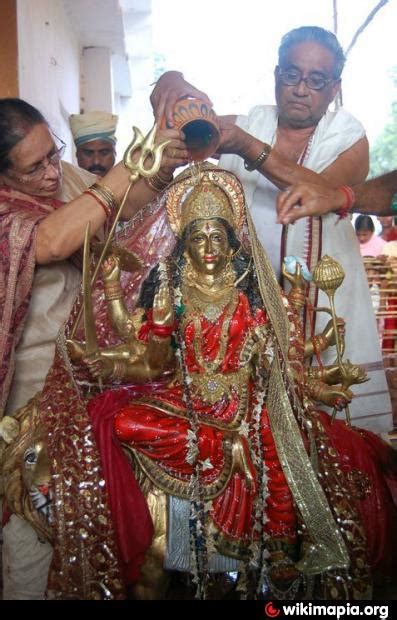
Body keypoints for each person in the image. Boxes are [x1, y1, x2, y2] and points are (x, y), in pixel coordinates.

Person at [3, 165, 397, 600]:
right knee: (122, 422)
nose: (208, 248)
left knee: (280, 438)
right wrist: (106, 363)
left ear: (232, 243)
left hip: (243, 400)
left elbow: (280, 360)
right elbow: (152, 363)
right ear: (183, 244)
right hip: (184, 400)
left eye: (216, 237)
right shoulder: (169, 291)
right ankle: (224, 448)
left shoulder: (254, 293)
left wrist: (315, 382)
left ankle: (279, 545)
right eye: (197, 238)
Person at [150, 26, 392, 433]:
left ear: (334, 88)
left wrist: (248, 147)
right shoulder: (250, 122)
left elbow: (320, 191)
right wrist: (171, 82)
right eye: (291, 75)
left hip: (325, 305)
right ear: (277, 75)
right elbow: (188, 124)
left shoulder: (349, 136)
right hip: (248, 311)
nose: (301, 89)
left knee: (339, 433)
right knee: (255, 436)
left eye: (316, 80)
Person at [0, 97, 188, 599]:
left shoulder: (65, 178)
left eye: (52, 153)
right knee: (35, 528)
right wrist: (131, 162)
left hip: (94, 380)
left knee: (98, 519)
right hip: (29, 399)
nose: (49, 172)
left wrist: (160, 165)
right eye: (33, 166)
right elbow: (52, 241)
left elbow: (120, 207)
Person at [69, 110, 119, 176]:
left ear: (114, 153)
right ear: (77, 154)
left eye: (104, 153)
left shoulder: (131, 184)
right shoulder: (65, 185)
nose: (96, 161)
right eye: (88, 153)